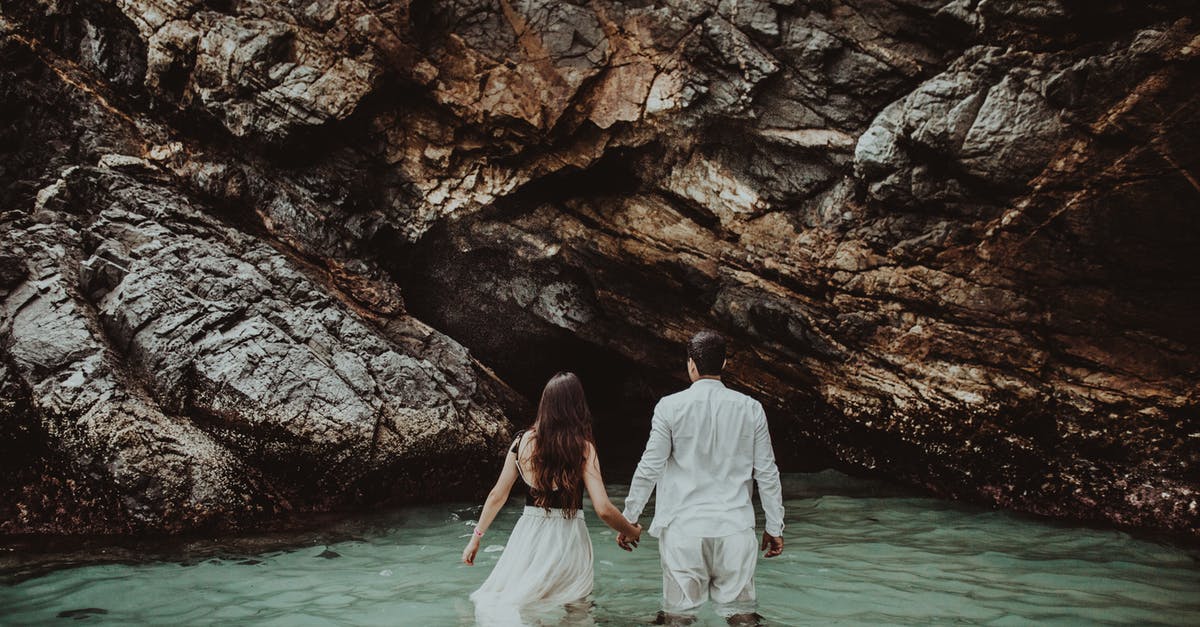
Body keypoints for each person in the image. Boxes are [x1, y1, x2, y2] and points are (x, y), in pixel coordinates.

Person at [619, 330, 785, 625]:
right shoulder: (751, 408)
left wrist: (629, 518)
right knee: (742, 616)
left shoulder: (669, 407)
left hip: (684, 529)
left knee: (678, 616)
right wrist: (774, 525)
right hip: (735, 527)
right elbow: (767, 472)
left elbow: (650, 467)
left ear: (691, 364)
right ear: (724, 364)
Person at [463, 371, 643, 622]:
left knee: (526, 607)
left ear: (545, 405)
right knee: (577, 609)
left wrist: (476, 538)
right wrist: (631, 530)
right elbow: (602, 508)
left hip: (528, 538)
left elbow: (497, 495)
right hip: (569, 539)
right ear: (577, 407)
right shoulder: (583, 448)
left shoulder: (520, 442)